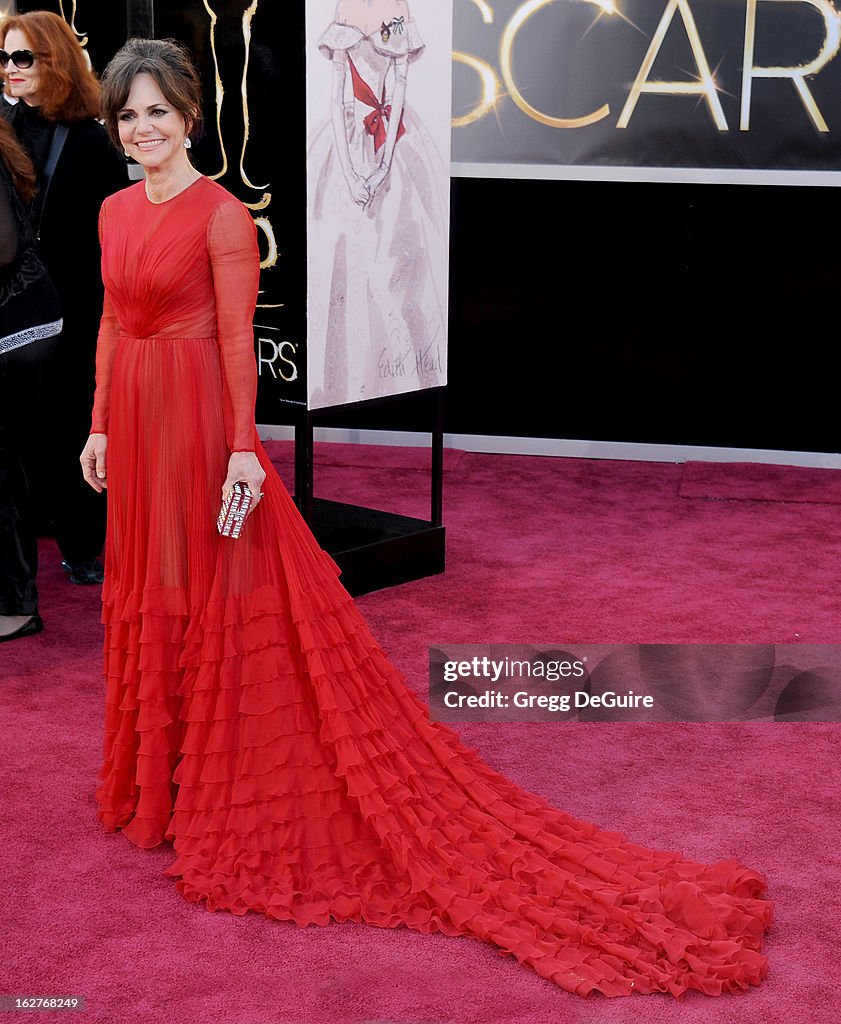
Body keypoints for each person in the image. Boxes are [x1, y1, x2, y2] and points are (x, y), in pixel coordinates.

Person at [82, 37, 772, 998]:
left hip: (201, 426)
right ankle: (155, 780)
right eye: (127, 114)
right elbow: (115, 321)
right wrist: (100, 423)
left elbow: (238, 341)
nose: (142, 128)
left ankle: (205, 779)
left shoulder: (223, 216)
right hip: (140, 425)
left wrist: (243, 449)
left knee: (220, 593)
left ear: (190, 117)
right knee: (151, 587)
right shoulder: (114, 209)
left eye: (158, 110)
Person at [0, 11, 128, 585]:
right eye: (3, 59)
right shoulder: (1, 125)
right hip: (12, 304)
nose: (10, 70)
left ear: (53, 60)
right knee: (16, 431)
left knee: (73, 422)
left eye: (23, 58)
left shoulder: (90, 137)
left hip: (76, 307)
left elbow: (113, 229)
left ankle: (81, 542)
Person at [306, 0, 447, 409]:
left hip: (397, 142)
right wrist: (350, 172)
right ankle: (343, 374)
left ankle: (404, 369)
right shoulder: (345, 7)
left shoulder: (396, 6)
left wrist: (384, 165)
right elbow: (337, 97)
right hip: (344, 140)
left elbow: (399, 88)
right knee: (345, 253)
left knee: (401, 257)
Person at [0, 117, 62, 641]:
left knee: (2, 467)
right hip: (26, 318)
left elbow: (2, 246)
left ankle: (17, 605)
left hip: (19, 328)